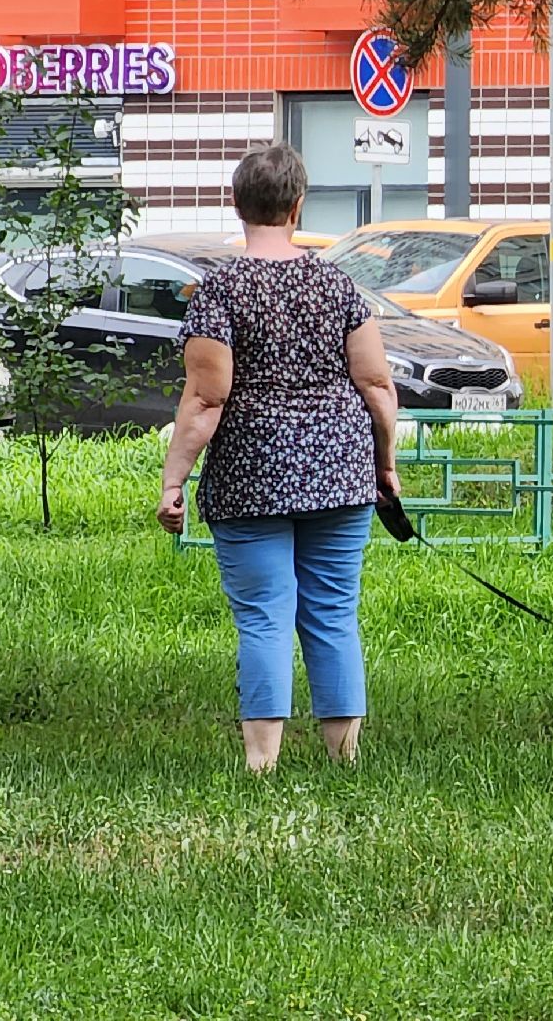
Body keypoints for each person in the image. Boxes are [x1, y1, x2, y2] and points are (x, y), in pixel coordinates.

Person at [157, 144, 399, 772]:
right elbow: (376, 385)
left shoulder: (220, 290)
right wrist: (385, 462)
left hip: (250, 473)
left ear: (237, 205)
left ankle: (260, 764)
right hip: (340, 470)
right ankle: (344, 760)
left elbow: (207, 396)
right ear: (297, 206)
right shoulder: (338, 284)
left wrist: (173, 479)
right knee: (333, 610)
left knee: (265, 615)